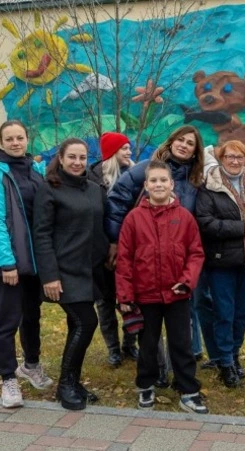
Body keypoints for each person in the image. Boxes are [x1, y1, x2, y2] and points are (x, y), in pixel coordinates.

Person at [107, 125, 215, 383]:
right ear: (171, 141)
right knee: (149, 325)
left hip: (176, 261)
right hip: (144, 254)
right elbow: (118, 199)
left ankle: (183, 372)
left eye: (190, 143)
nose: (184, 145)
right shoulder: (146, 168)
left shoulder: (193, 179)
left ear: (195, 152)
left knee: (182, 321)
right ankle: (155, 373)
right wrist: (115, 239)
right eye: (181, 139)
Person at [115, 160, 208, 414]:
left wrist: (187, 282)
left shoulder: (184, 217)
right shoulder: (134, 219)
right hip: (145, 295)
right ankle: (146, 385)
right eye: (153, 181)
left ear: (171, 184)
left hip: (177, 293)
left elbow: (196, 254)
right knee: (148, 343)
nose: (158, 185)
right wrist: (125, 294)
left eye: (163, 180)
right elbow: (124, 259)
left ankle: (188, 389)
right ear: (145, 186)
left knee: (182, 343)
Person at [0, 120, 52, 408]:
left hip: (34, 261)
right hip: (7, 262)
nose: (15, 142)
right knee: (7, 321)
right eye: (9, 139)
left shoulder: (36, 171)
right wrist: (7, 263)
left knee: (32, 316)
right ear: (2, 141)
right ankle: (8, 378)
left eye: (19, 137)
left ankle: (31, 364)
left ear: (26, 138)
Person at [33, 138, 108, 411]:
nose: (77, 162)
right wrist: (49, 276)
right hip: (63, 271)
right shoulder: (49, 189)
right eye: (72, 157)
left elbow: (101, 226)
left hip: (89, 270)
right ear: (61, 159)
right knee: (86, 322)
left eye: (82, 157)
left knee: (78, 325)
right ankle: (65, 384)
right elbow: (41, 235)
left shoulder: (94, 189)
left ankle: (73, 382)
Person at [196, 140, 245, 387]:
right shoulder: (210, 184)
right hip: (221, 260)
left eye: (239, 157)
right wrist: (244, 228)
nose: (235, 161)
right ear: (221, 158)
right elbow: (205, 222)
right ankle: (225, 362)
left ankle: (235, 356)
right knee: (224, 313)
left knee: (242, 312)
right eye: (230, 157)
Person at [88, 131, 137, 366]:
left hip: (130, 251)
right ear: (112, 152)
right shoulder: (92, 178)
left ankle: (130, 343)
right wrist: (106, 245)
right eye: (124, 148)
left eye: (129, 148)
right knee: (105, 302)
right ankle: (113, 348)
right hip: (100, 251)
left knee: (130, 298)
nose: (129, 152)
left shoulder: (135, 175)